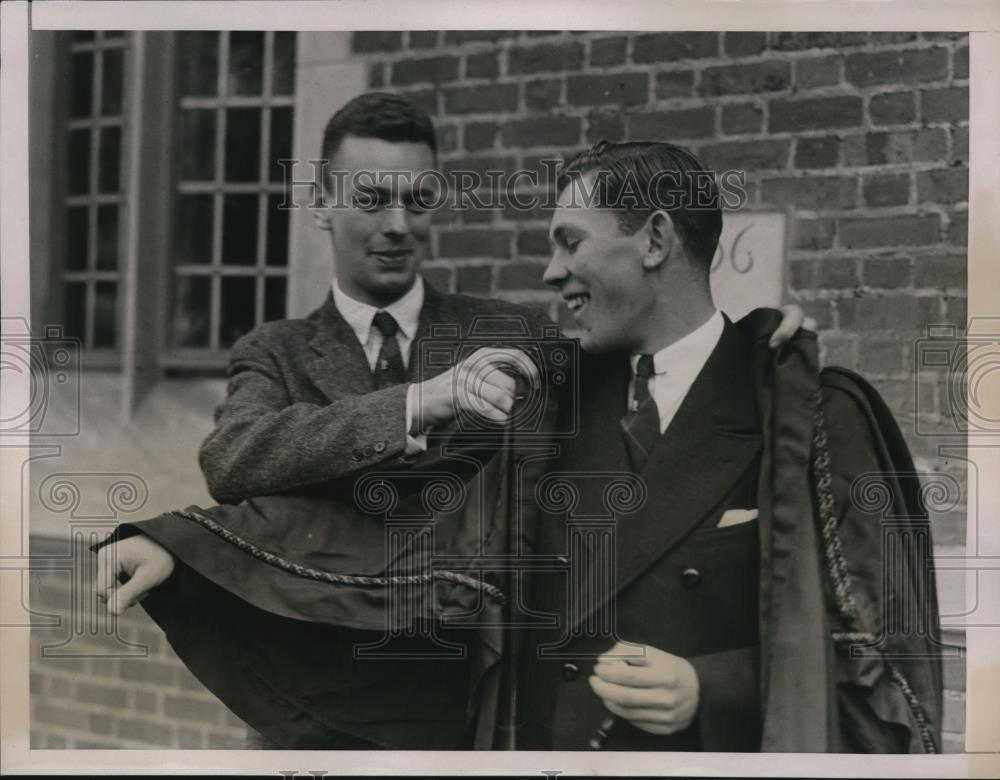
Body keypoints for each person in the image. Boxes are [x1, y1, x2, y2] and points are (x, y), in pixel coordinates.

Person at [93, 93, 809, 750]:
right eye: (373, 199)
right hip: (318, 698)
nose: (398, 226)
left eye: (420, 200)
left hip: (464, 704)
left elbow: (661, 355)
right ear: (321, 203)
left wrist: (761, 347)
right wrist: (419, 401)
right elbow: (234, 461)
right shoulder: (274, 351)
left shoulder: (513, 334)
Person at [513, 140, 943, 753]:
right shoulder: (545, 408)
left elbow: (877, 663)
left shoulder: (808, 414)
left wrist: (708, 688)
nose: (551, 271)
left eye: (570, 240)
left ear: (655, 241)